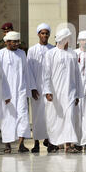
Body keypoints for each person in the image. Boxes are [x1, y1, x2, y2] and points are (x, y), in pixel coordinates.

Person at [43, 28, 84, 153]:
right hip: (55, 93)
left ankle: (68, 145)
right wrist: (47, 91)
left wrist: (77, 94)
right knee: (55, 118)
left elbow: (77, 75)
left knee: (70, 116)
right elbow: (46, 74)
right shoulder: (50, 54)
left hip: (70, 92)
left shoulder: (72, 53)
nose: (70, 41)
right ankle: (54, 142)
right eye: (68, 39)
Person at [0, 31, 32, 153]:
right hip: (7, 93)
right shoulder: (0, 54)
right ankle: (7, 144)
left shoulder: (22, 53)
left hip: (20, 90)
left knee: (23, 116)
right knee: (7, 118)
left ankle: (21, 144)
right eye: (14, 42)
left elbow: (26, 72)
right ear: (7, 42)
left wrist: (30, 89)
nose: (17, 44)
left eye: (18, 41)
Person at [27, 23, 54, 153]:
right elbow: (29, 70)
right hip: (37, 88)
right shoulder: (32, 50)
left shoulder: (53, 49)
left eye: (46, 33)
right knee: (37, 116)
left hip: (49, 89)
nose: (44, 35)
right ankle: (36, 143)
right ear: (38, 34)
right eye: (42, 33)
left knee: (50, 115)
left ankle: (50, 141)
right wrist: (32, 87)